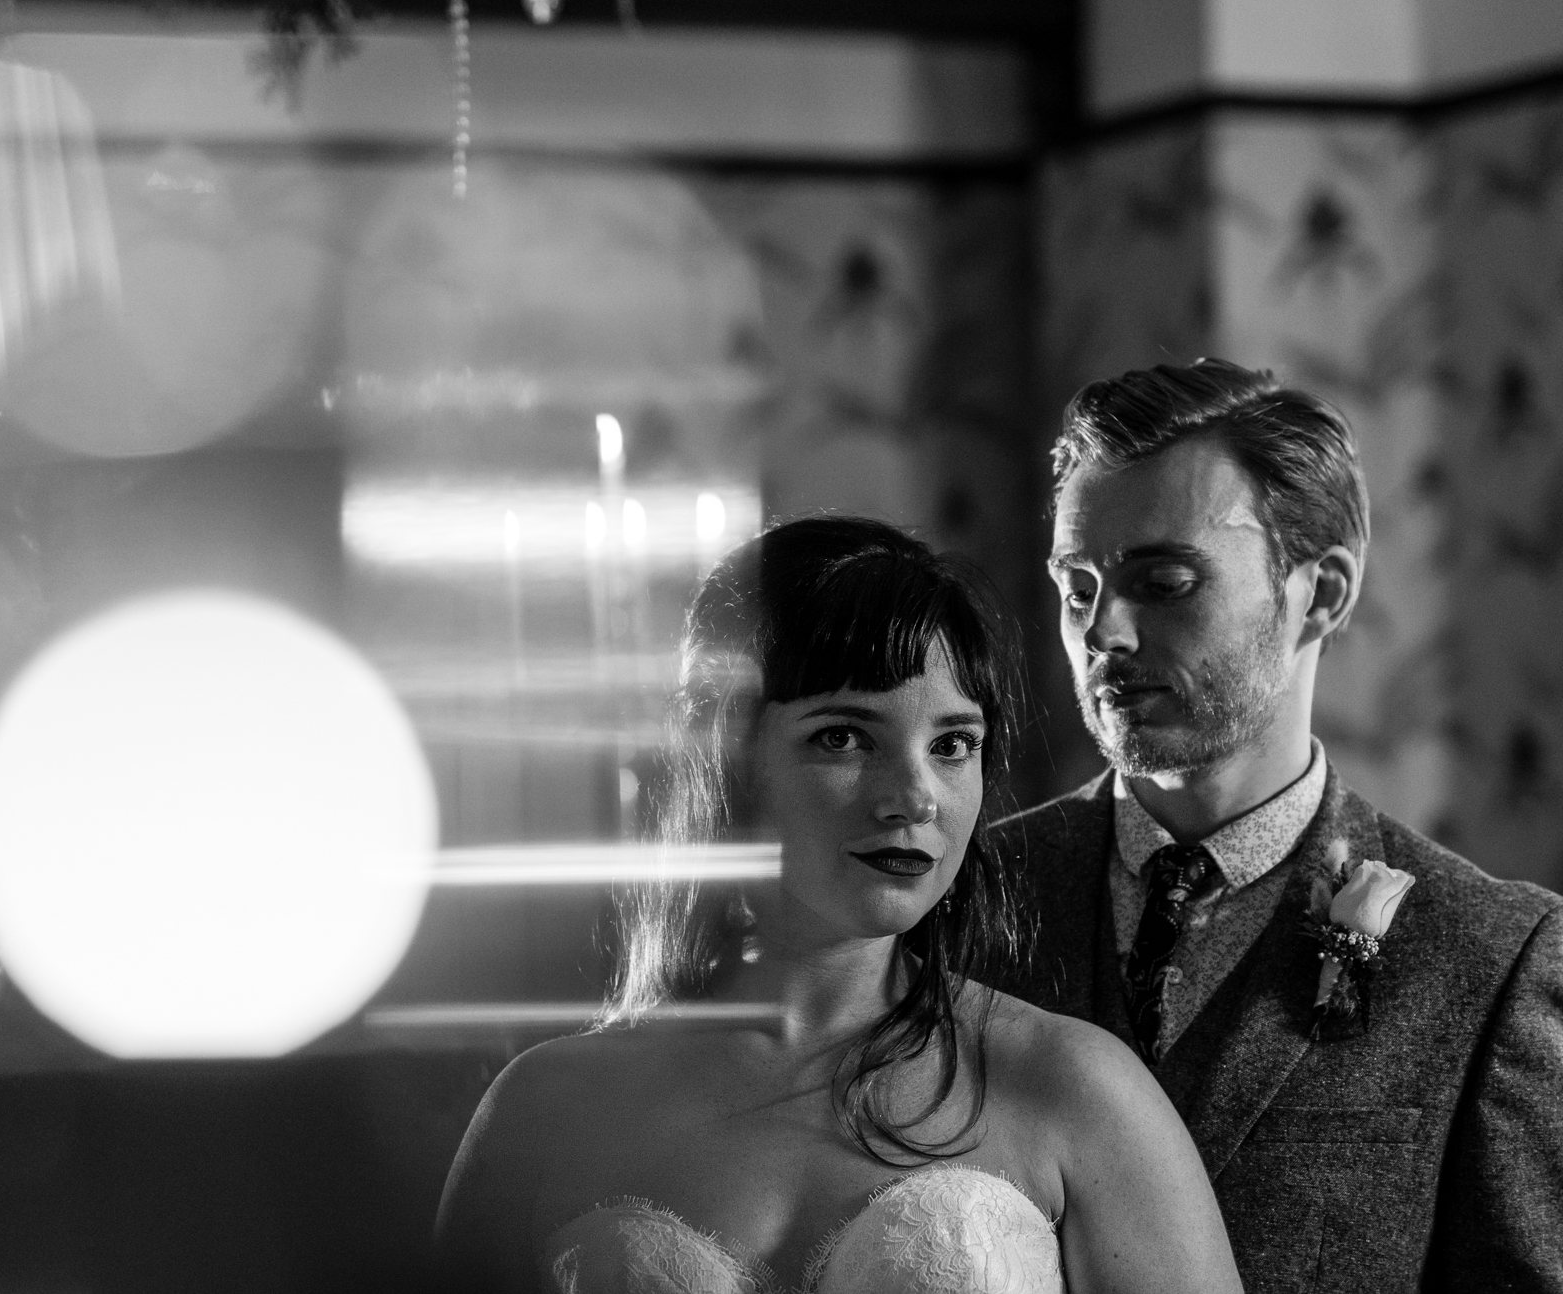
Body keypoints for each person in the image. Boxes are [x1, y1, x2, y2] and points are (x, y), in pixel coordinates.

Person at [436, 516, 1242, 1294]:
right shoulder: (542, 1112)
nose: (913, 797)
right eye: (844, 737)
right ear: (726, 756)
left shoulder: (1075, 1090)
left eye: (952, 744)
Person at [1006, 358, 1563, 1291]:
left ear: (1325, 591)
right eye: (1078, 588)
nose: (1104, 632)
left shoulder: (1493, 959)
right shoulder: (966, 896)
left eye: (1167, 580)